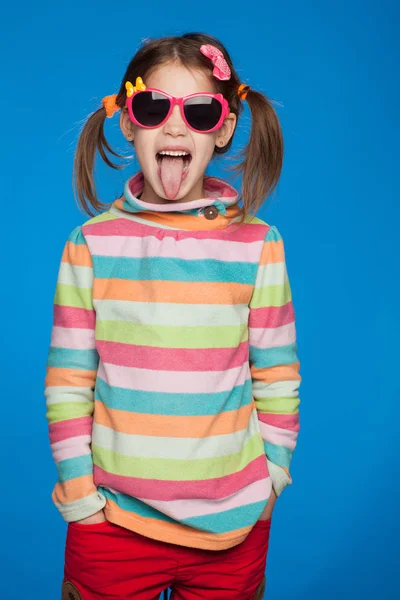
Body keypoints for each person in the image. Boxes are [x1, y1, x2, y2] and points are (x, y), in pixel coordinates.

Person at [44, 32, 301, 600]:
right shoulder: (91, 245)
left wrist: (272, 479)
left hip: (233, 528)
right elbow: (69, 381)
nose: (176, 127)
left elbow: (276, 374)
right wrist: (80, 495)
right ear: (129, 122)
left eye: (201, 111)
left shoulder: (258, 245)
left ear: (226, 126)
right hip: (113, 524)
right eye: (154, 108)